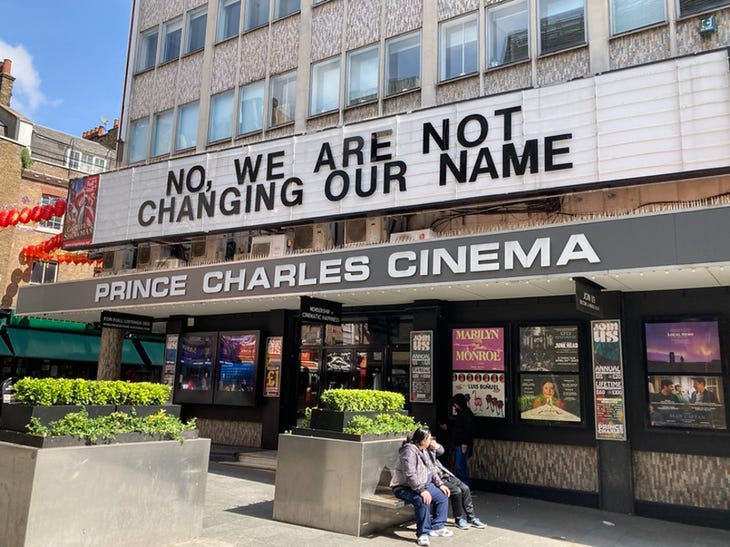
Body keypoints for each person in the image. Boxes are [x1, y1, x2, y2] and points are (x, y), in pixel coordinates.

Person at [390, 427, 453, 546]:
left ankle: (438, 526)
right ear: (423, 440)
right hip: (403, 487)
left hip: (422, 485)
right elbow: (410, 474)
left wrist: (440, 484)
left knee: (442, 495)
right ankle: (423, 533)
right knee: (423, 500)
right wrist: (421, 490)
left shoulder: (424, 450)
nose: (431, 441)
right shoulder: (409, 451)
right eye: (429, 439)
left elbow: (431, 469)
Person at [426, 436, 487, 530]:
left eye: (431, 438)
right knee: (456, 491)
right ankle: (458, 519)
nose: (430, 440)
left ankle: (471, 517)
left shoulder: (430, 448)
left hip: (444, 474)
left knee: (465, 488)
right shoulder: (420, 451)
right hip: (436, 479)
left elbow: (441, 451)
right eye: (428, 438)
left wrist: (436, 446)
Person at [447, 393, 475, 486]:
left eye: (456, 403)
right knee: (460, 465)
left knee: (460, 465)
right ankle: (464, 485)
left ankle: (466, 485)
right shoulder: (461, 413)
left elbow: (468, 430)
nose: (455, 406)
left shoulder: (466, 414)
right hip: (458, 442)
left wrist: (465, 443)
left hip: (462, 444)